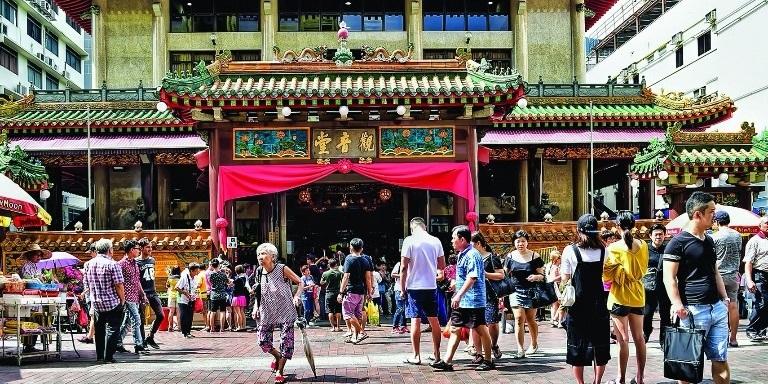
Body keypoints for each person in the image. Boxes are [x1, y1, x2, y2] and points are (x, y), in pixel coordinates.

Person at [663, 191, 730, 384]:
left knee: (720, 359)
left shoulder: (709, 240)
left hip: (716, 308)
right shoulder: (677, 243)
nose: (714, 216)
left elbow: (715, 271)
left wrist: (724, 298)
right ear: (697, 214)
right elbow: (669, 277)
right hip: (692, 311)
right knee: (687, 366)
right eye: (711, 211)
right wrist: (677, 305)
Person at [431, 225, 495, 371]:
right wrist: (456, 287)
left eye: (454, 238)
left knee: (480, 329)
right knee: (455, 328)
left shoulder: (472, 254)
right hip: (461, 300)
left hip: (473, 300)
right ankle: (447, 362)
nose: (452, 241)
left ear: (462, 239)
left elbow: (472, 278)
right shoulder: (462, 253)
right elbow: (464, 276)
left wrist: (458, 294)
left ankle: (489, 360)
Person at [561, 214, 611, 384]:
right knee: (600, 345)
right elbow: (606, 274)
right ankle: (597, 382)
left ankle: (581, 383)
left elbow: (565, 278)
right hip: (599, 303)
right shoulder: (604, 249)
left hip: (578, 305)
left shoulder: (570, 250)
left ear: (579, 231)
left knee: (577, 346)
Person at [603, 211, 648, 384]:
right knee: (639, 338)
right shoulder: (643, 244)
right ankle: (640, 378)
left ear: (617, 227)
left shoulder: (613, 247)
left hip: (620, 295)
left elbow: (606, 275)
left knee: (623, 340)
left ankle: (620, 378)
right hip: (638, 293)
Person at [251, 242, 304, 384]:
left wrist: (297, 295)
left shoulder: (282, 269)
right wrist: (256, 306)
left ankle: (280, 370)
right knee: (263, 341)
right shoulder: (258, 271)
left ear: (273, 256)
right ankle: (278, 356)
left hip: (285, 309)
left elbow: (300, 282)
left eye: (263, 254)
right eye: (258, 255)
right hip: (266, 310)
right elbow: (258, 292)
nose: (260, 257)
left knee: (286, 342)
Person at [400, 217, 445, 365]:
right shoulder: (435, 240)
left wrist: (402, 288)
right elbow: (442, 265)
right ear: (424, 226)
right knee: (434, 320)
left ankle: (416, 355)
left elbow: (404, 268)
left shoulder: (409, 240)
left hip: (414, 287)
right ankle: (437, 355)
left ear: (412, 228)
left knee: (415, 320)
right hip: (431, 286)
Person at [503, 230, 545, 359]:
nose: (520, 243)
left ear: (527, 242)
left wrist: (536, 277)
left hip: (532, 291)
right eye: (518, 241)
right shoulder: (510, 257)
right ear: (514, 243)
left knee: (531, 319)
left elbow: (542, 275)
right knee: (519, 318)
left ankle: (533, 344)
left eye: (523, 241)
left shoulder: (535, 256)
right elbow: (504, 275)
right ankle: (520, 349)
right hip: (515, 291)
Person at [83, 239, 125, 363]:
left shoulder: (88, 264)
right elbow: (118, 284)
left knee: (99, 330)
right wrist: (122, 299)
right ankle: (109, 356)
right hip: (112, 301)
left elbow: (87, 283)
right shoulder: (113, 264)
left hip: (96, 301)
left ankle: (100, 355)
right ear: (110, 250)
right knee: (113, 328)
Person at [470, 231, 504, 362]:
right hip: (474, 295)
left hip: (489, 294)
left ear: (478, 243)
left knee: (492, 324)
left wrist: (485, 274)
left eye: (471, 244)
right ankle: (479, 353)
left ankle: (493, 345)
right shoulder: (471, 257)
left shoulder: (491, 257)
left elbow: (501, 275)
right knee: (476, 324)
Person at [711, 211, 743, 347]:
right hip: (733, 275)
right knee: (733, 307)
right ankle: (733, 338)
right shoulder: (738, 235)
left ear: (717, 222)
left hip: (719, 275)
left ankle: (718, 336)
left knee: (716, 306)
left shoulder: (714, 237)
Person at [116, 240, 150, 355]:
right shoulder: (121, 264)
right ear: (131, 250)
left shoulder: (135, 263)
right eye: (137, 249)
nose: (139, 251)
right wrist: (122, 298)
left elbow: (137, 281)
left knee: (128, 322)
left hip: (135, 296)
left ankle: (118, 342)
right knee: (136, 318)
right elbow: (118, 283)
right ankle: (138, 345)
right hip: (127, 297)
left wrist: (142, 294)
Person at [338, 238, 373, 344]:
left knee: (348, 313)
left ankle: (362, 332)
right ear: (361, 249)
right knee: (358, 314)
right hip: (361, 291)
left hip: (351, 290)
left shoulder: (349, 259)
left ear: (351, 248)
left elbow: (346, 276)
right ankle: (355, 337)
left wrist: (340, 292)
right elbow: (368, 277)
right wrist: (369, 291)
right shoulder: (365, 260)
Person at [642, 223, 671, 346]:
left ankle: (664, 340)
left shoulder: (669, 248)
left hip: (665, 286)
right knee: (647, 313)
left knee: (665, 314)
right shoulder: (645, 249)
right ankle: (646, 332)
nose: (658, 237)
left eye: (661, 234)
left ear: (664, 235)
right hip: (649, 287)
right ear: (650, 236)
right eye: (656, 234)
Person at [19, 244, 49, 352]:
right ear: (30, 255)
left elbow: (37, 279)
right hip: (30, 296)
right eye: (37, 255)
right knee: (30, 321)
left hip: (37, 296)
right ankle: (28, 345)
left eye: (40, 255)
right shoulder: (27, 265)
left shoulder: (36, 266)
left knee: (36, 321)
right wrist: (37, 278)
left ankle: (31, 345)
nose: (39, 257)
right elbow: (28, 280)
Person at [136, 238, 164, 349]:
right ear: (141, 248)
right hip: (142, 293)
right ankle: (142, 341)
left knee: (161, 315)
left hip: (153, 292)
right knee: (141, 319)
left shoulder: (152, 260)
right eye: (147, 247)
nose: (150, 249)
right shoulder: (137, 262)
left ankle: (150, 336)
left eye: (151, 247)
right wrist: (141, 294)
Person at [744, 215, 768, 341]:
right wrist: (749, 279)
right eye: (767, 223)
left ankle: (762, 330)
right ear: (760, 226)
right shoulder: (754, 241)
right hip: (760, 275)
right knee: (761, 303)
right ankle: (752, 329)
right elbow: (748, 262)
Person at [175, 262, 202, 339]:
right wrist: (185, 292)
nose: (197, 272)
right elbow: (177, 288)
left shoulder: (196, 278)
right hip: (183, 300)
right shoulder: (184, 278)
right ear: (191, 271)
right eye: (196, 271)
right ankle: (185, 333)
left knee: (190, 316)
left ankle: (188, 331)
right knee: (184, 316)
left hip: (191, 299)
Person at [320, 258, 344, 331]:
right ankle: (338, 327)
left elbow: (321, 282)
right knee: (338, 310)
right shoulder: (340, 273)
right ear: (336, 265)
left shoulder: (325, 273)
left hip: (329, 293)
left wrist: (326, 281)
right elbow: (343, 281)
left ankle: (333, 327)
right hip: (338, 293)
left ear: (329, 265)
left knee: (330, 311)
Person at [207, 258, 228, 333]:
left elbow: (210, 282)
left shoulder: (211, 274)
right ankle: (222, 328)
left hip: (214, 294)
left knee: (213, 312)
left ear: (212, 265)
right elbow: (227, 282)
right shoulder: (223, 274)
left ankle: (212, 328)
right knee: (222, 311)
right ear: (219, 265)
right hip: (222, 294)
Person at [390, 259, 408, 334]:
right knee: (400, 308)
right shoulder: (399, 264)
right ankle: (395, 326)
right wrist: (402, 275)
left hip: (408, 289)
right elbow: (392, 274)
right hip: (399, 289)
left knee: (405, 309)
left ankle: (403, 326)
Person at [547, 250, 564, 328]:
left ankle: (554, 320)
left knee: (555, 304)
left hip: (554, 286)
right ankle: (555, 319)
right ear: (557, 259)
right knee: (562, 304)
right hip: (555, 286)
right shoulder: (555, 268)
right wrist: (562, 276)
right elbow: (552, 279)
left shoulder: (553, 266)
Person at [166, 266, 182, 332]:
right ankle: (179, 327)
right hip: (178, 295)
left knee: (171, 311)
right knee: (178, 312)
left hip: (171, 295)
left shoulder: (170, 278)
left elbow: (167, 286)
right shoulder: (180, 278)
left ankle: (170, 326)